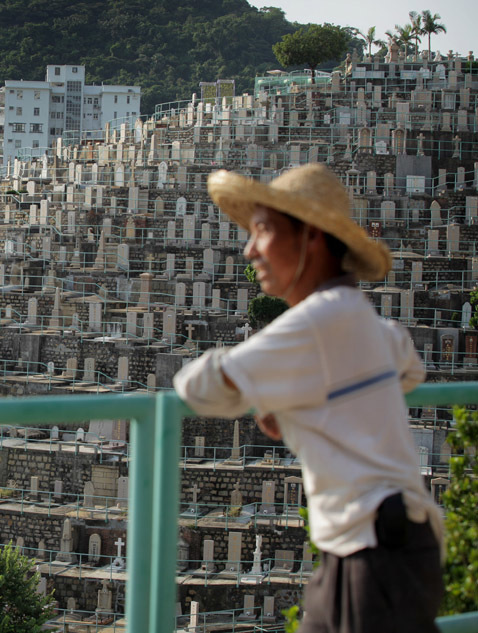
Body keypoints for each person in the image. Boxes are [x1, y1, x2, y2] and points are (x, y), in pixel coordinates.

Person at [173, 163, 442, 633]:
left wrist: (276, 385)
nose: (249, 249)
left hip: (369, 554)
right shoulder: (365, 319)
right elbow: (409, 367)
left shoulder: (317, 321)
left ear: (312, 237)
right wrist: (315, 398)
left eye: (263, 231)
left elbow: (198, 385)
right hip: (394, 544)